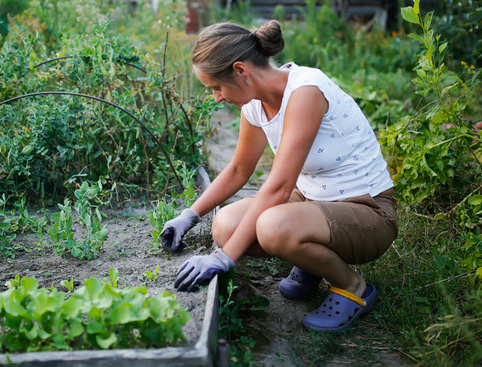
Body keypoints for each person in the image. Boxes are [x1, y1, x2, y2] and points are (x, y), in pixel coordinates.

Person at [160, 20, 397, 332]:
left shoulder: (305, 90)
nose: (217, 97)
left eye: (217, 87)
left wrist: (223, 258)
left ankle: (354, 289)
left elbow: (280, 187)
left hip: (368, 212)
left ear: (241, 70)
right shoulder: (255, 106)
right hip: (314, 202)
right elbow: (238, 170)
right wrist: (189, 215)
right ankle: (314, 264)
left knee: (272, 227)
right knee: (226, 226)